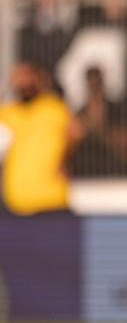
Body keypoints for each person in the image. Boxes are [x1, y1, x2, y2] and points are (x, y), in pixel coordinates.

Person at [0, 62, 81, 214]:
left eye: (27, 77)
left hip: (52, 202)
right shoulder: (8, 112)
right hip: (16, 205)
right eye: (19, 79)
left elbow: (75, 132)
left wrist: (65, 159)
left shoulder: (53, 108)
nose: (23, 83)